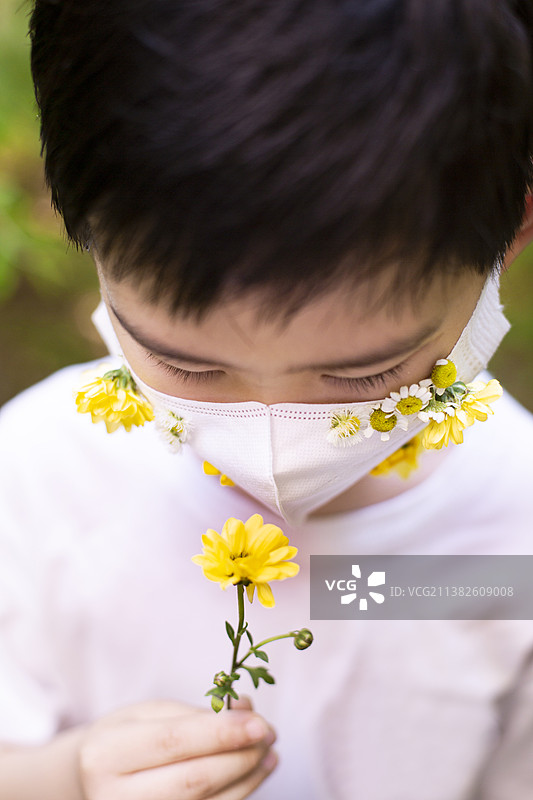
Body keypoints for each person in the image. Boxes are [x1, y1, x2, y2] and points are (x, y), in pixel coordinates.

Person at [1, 1, 533, 797]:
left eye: (362, 378)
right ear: (76, 220)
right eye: (186, 366)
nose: (276, 447)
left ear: (512, 230)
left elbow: (372, 595)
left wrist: (394, 581)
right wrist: (66, 779)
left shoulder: (509, 529)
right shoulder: (37, 473)